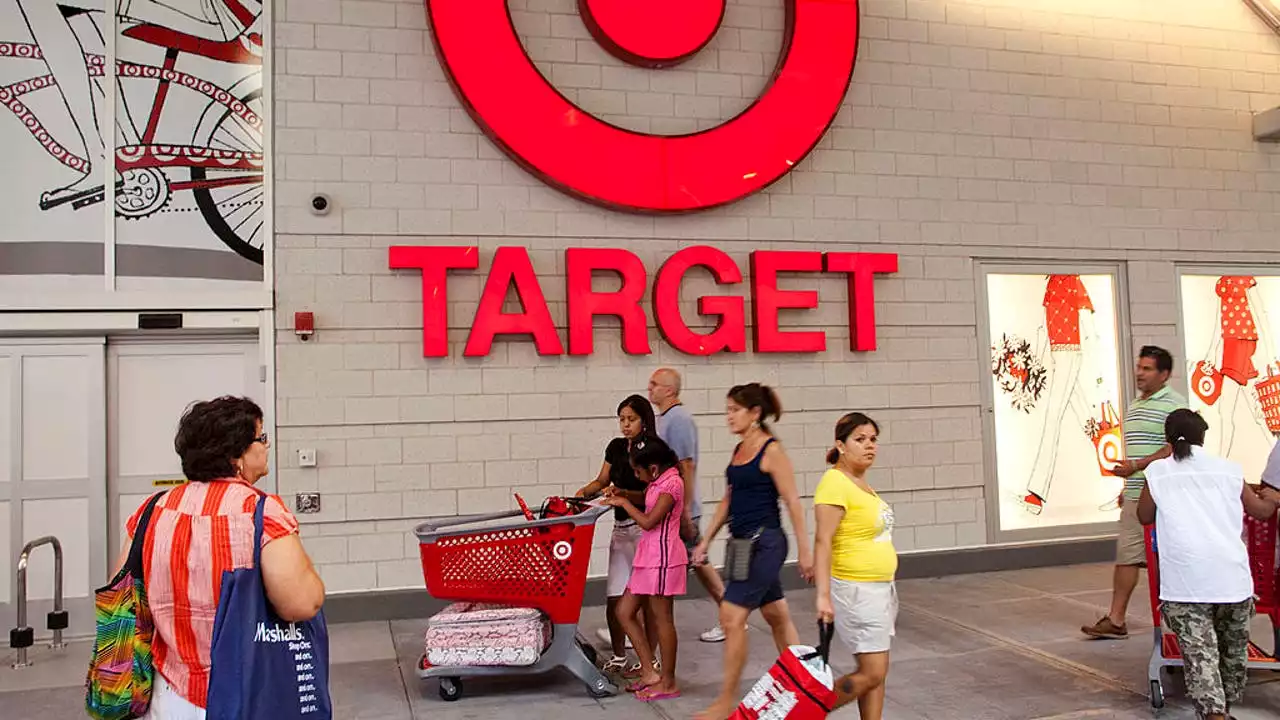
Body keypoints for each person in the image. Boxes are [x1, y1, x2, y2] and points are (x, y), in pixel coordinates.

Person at [112, 396, 325, 718]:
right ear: (235, 454)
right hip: (243, 692)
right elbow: (300, 604)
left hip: (164, 694)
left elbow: (121, 594)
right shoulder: (259, 512)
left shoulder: (152, 510)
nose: (267, 446)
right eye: (261, 437)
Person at [1136, 410, 1280, 720]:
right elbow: (1262, 511)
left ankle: (1215, 715)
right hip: (1232, 582)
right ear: (1203, 436)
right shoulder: (1228, 470)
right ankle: (1221, 711)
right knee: (1231, 657)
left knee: (1200, 655)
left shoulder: (1158, 472)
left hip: (1186, 585)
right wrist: (1273, 496)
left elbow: (1144, 515)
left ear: (1168, 440)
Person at [693, 383, 814, 720]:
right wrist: (706, 541)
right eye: (727, 409)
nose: (728, 416)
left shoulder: (771, 451)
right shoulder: (738, 450)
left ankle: (725, 702)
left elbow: (792, 502)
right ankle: (803, 687)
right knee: (776, 615)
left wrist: (806, 551)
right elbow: (729, 501)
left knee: (731, 618)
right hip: (742, 545)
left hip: (767, 543)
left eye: (735, 409)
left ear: (755, 413)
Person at [1083, 345, 1186, 640]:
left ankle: (1183, 625)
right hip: (1134, 494)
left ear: (1164, 374)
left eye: (1147, 369)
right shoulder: (1135, 404)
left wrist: (1137, 466)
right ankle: (1116, 620)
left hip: (1162, 496)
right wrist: (1126, 484)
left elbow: (1174, 448)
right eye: (1139, 367)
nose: (1139, 373)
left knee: (1170, 561)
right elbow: (1136, 448)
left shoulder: (1174, 405)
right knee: (1127, 556)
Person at [814, 412, 897, 720]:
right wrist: (823, 596)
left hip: (878, 589)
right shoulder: (834, 483)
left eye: (873, 439)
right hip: (856, 590)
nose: (869, 446)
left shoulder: (859, 483)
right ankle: (805, 713)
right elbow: (823, 541)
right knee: (873, 673)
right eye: (860, 439)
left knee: (875, 673)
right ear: (841, 445)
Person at [575, 395, 659, 677]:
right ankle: (620, 655)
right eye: (621, 419)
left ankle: (651, 658)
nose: (625, 425)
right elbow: (603, 480)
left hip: (644, 529)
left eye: (631, 419)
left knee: (646, 600)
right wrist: (585, 492)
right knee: (614, 599)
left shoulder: (653, 451)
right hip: (621, 530)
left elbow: (652, 495)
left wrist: (623, 495)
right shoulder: (615, 447)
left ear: (644, 421)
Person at [602, 436, 688, 702]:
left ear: (652, 467)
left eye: (638, 471)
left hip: (663, 559)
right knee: (624, 611)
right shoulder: (657, 481)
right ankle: (650, 672)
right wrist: (625, 494)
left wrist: (624, 504)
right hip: (646, 558)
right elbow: (647, 498)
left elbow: (650, 521)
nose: (636, 476)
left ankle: (669, 682)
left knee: (663, 620)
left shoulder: (672, 482)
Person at [648, 368, 728, 643]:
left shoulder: (678, 420)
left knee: (697, 559)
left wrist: (684, 510)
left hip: (680, 510)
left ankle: (731, 618)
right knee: (699, 561)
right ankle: (732, 618)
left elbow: (686, 465)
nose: (650, 388)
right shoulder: (666, 419)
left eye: (655, 384)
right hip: (673, 507)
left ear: (669, 390)